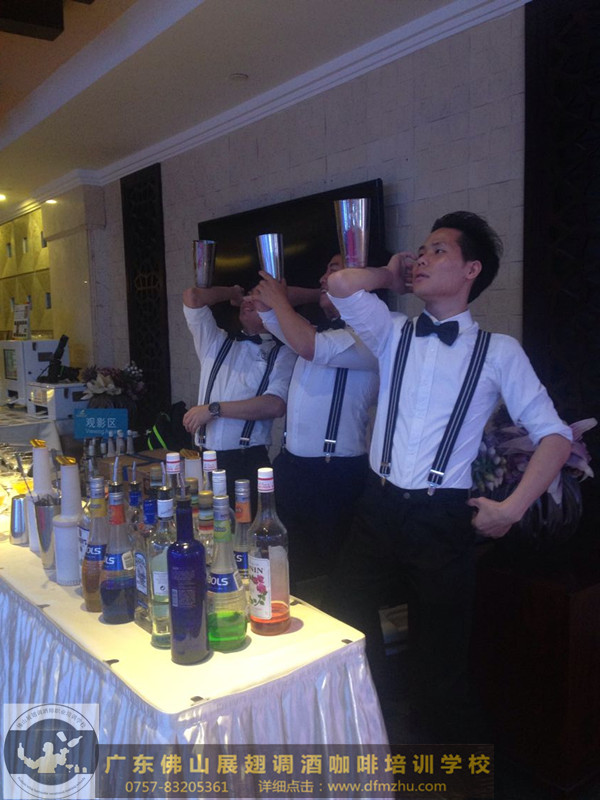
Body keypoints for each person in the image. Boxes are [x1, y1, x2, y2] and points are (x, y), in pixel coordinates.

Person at [323, 211, 573, 742]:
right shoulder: (392, 332)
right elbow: (340, 284)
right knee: (343, 627)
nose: (422, 258)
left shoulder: (499, 351)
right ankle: (377, 735)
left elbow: (555, 436)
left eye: (438, 250)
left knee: (442, 662)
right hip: (377, 507)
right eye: (421, 250)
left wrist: (512, 509)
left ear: (471, 270)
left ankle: (455, 773)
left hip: (440, 519)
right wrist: (389, 275)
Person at [252, 255, 379, 595]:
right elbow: (265, 308)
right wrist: (296, 294)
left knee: (340, 580)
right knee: (283, 569)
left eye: (334, 271)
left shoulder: (371, 335)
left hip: (335, 475)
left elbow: (310, 346)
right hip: (292, 468)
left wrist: (283, 299)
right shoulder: (308, 330)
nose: (324, 277)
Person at [182, 284, 296, 512]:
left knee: (246, 531)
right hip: (205, 460)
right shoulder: (215, 341)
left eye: (257, 297)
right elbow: (192, 296)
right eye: (248, 296)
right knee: (202, 524)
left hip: (246, 462)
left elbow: (274, 405)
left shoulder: (283, 352)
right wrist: (231, 293)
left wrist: (213, 409)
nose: (248, 300)